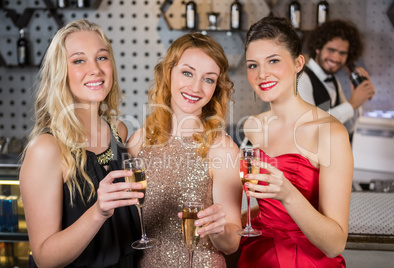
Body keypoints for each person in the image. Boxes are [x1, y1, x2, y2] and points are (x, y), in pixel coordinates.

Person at [19, 19, 143, 267]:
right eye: (78, 60)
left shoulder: (118, 131)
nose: (95, 69)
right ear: (60, 73)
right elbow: (44, 258)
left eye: (101, 57)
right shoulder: (47, 149)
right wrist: (99, 212)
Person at [238, 16, 353, 267]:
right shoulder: (252, 126)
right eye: (252, 65)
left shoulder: (330, 132)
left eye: (274, 61)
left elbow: (335, 244)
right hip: (255, 254)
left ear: (298, 63)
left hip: (304, 259)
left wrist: (288, 194)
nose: (262, 74)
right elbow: (267, 209)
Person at [127, 32, 242, 267]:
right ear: (168, 73)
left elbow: (232, 244)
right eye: (187, 73)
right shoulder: (138, 141)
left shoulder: (222, 149)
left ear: (215, 89)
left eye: (208, 79)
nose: (196, 87)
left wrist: (219, 230)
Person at [298, 19, 376, 140]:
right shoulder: (302, 78)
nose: (336, 58)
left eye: (342, 53)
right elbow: (309, 127)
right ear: (318, 48)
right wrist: (352, 104)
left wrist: (358, 96)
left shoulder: (333, 81)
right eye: (331, 50)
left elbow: (347, 127)